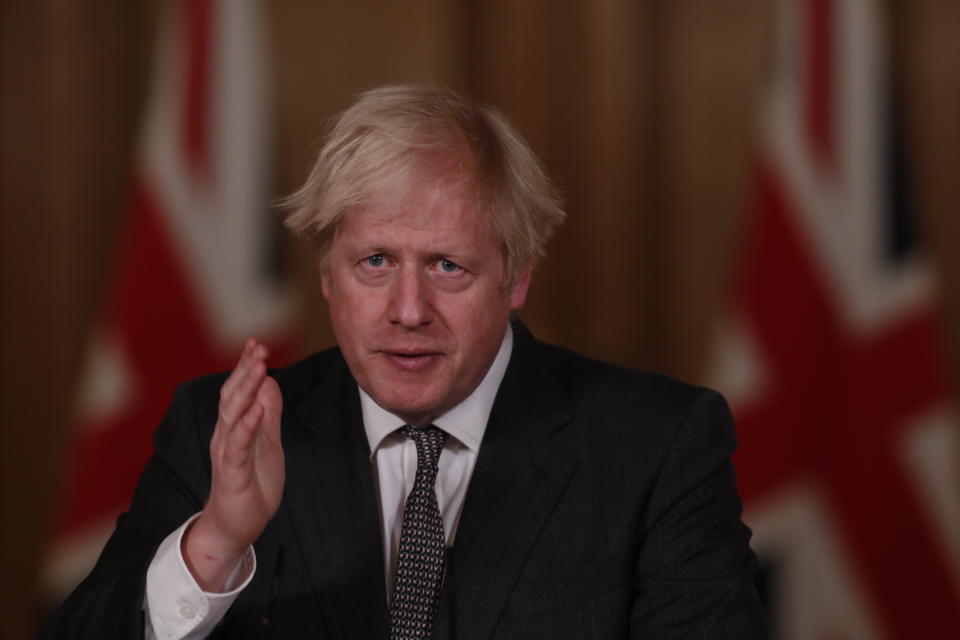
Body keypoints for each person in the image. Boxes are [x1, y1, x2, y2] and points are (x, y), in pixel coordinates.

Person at [42, 85, 766, 639]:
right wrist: (218, 541)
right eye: (376, 262)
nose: (408, 309)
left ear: (516, 277)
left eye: (448, 266)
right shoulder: (220, 428)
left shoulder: (657, 445)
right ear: (328, 275)